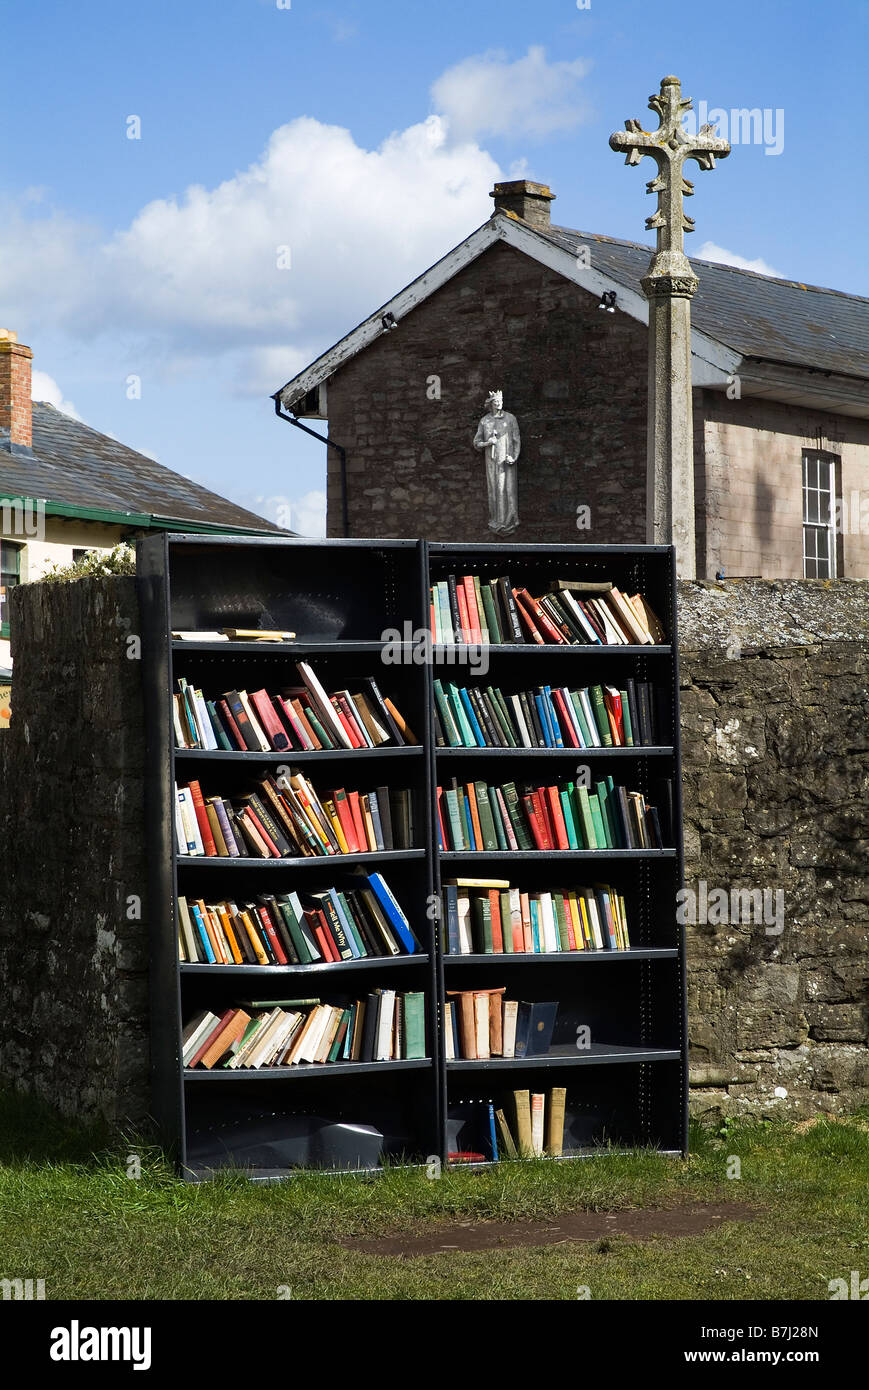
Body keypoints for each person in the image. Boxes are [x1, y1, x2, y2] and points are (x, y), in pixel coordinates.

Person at [473, 390, 521, 535]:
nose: (499, 403)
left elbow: (516, 440)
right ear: (491, 404)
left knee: (508, 489)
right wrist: (488, 442)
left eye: (501, 400)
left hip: (507, 461)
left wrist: (514, 456)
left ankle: (509, 520)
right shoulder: (485, 421)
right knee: (495, 490)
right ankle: (496, 520)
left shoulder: (510, 419)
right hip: (492, 462)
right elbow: (476, 442)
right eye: (496, 401)